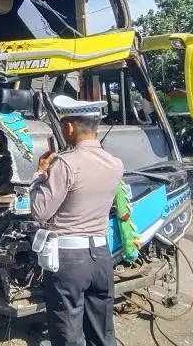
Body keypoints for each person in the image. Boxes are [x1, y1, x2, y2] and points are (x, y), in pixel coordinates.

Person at [30, 95, 124, 346]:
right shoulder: (116, 163)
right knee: (102, 330)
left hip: (70, 261)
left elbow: (40, 211)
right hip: (102, 257)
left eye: (63, 125)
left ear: (69, 127)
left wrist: (40, 174)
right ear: (97, 127)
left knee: (68, 331)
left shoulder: (66, 164)